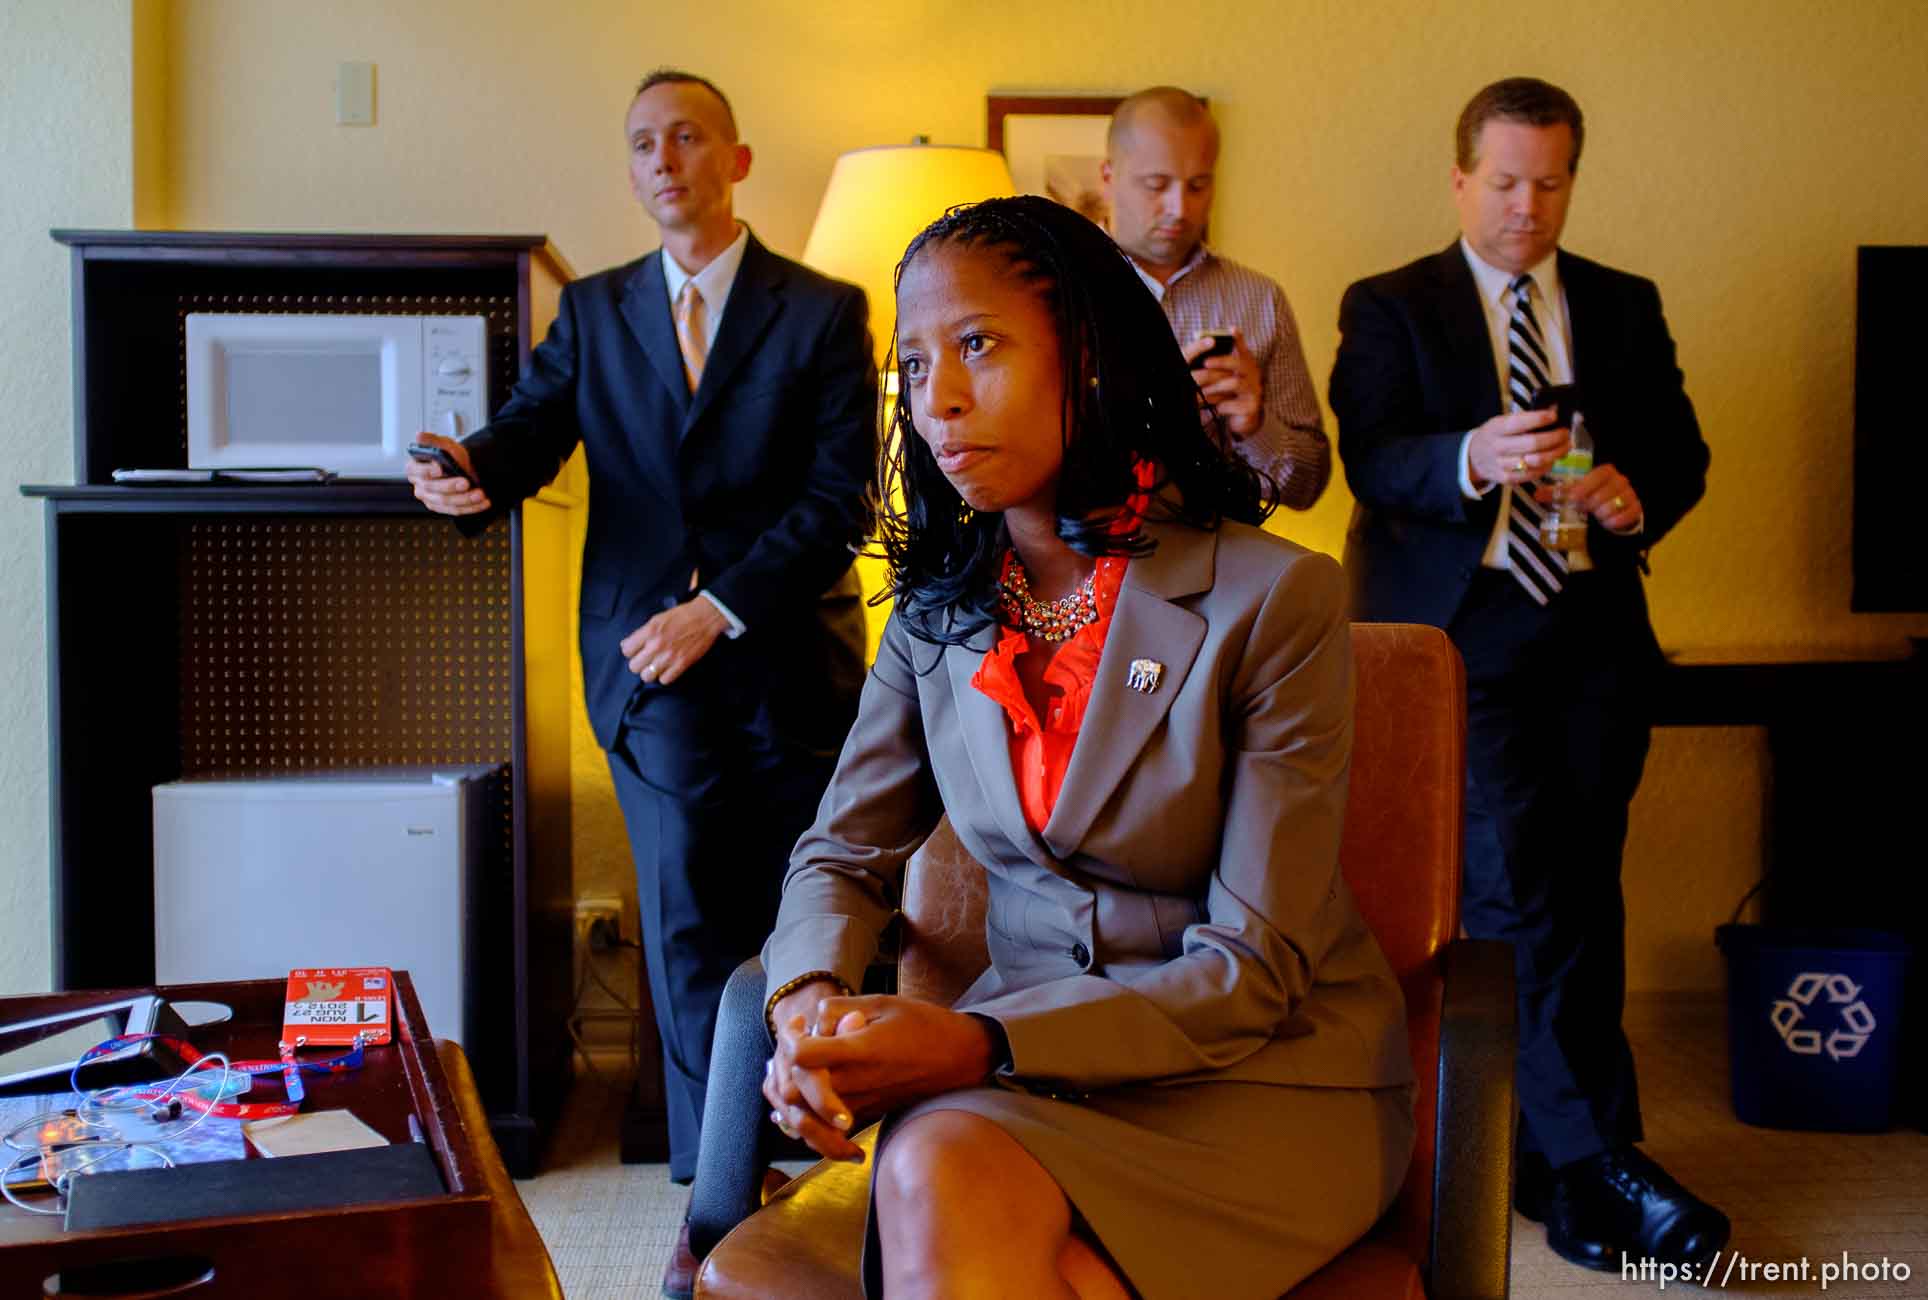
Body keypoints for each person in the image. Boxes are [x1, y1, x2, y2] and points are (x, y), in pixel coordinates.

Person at [757, 195, 1414, 1300]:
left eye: (976, 345)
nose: (940, 399)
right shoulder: (932, 617)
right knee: (942, 1175)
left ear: (1092, 358)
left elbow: (1251, 970)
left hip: (1255, 1080)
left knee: (969, 1203)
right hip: (1034, 1080)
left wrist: (976, 1045)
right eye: (913, 367)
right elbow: (839, 855)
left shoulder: (1274, 598)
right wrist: (805, 1004)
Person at [406, 68, 875, 1297]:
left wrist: (716, 609)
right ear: (630, 172)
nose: (662, 160)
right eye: (640, 145)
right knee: (678, 908)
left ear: (737, 158)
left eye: (686, 138)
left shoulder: (823, 311)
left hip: (785, 656)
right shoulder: (600, 314)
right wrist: (468, 473)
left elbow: (839, 501)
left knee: (800, 904)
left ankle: (806, 1139)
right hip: (641, 665)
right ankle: (707, 1180)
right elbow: (526, 433)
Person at [1328, 77, 1723, 1273]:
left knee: (1583, 896)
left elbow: (1680, 451)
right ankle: (1607, 1164)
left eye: (1547, 182)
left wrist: (1630, 493)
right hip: (1460, 641)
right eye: (1502, 182)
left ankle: (1553, 1172)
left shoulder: (1620, 301)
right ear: (1459, 180)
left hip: (1592, 636)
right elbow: (1371, 458)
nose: (1524, 206)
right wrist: (1467, 454)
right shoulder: (1389, 305)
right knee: (1518, 898)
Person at [1101, 86, 1330, 509]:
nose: (1179, 208)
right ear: (1108, 176)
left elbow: (1308, 485)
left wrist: (1255, 426)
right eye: (1156, 184)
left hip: (1221, 563)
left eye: (1198, 185)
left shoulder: (1260, 301)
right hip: (1083, 560)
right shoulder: (1054, 294)